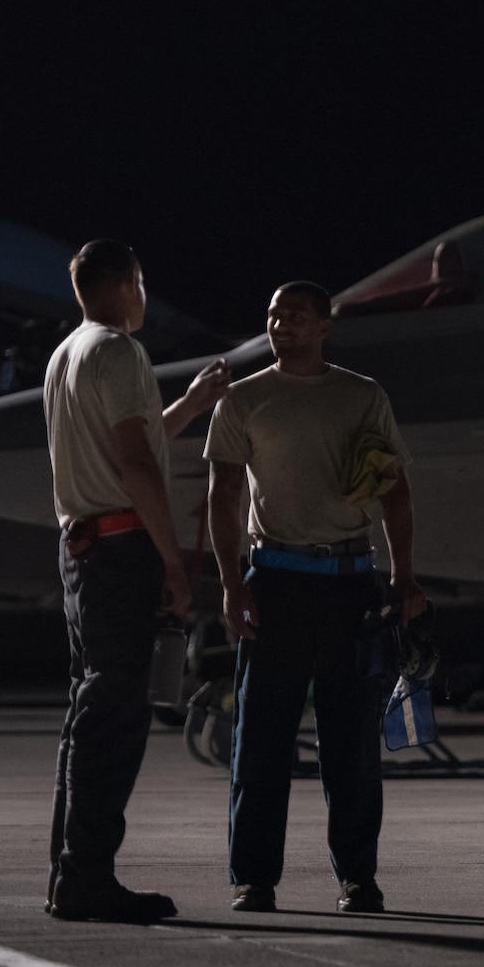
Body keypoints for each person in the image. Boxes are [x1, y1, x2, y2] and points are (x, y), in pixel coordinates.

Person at [205, 280, 426, 913]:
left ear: (325, 326)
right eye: (274, 315)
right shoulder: (243, 401)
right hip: (273, 583)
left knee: (351, 742)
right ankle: (253, 878)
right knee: (261, 740)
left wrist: (403, 575)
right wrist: (228, 584)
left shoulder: (362, 396)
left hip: (350, 583)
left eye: (296, 317)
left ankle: (358, 876)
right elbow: (223, 498)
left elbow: (395, 492)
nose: (281, 326)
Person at [44, 239, 230, 922]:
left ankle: (67, 872)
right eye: (143, 282)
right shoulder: (120, 353)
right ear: (127, 283)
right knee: (114, 720)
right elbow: (137, 467)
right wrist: (175, 565)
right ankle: (87, 879)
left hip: (81, 555)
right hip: (122, 553)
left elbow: (132, 440)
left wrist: (189, 402)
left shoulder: (68, 354)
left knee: (86, 715)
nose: (145, 296)